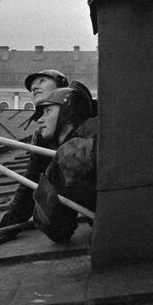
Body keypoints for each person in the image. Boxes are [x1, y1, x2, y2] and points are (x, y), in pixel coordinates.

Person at [0, 69, 69, 248]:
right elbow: (31, 182)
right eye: (32, 86)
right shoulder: (42, 135)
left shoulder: (80, 122)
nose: (34, 87)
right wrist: (8, 225)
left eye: (42, 81)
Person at [32, 87, 97, 243]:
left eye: (48, 111)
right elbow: (59, 229)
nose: (40, 119)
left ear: (67, 114)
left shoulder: (93, 137)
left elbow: (58, 231)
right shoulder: (63, 156)